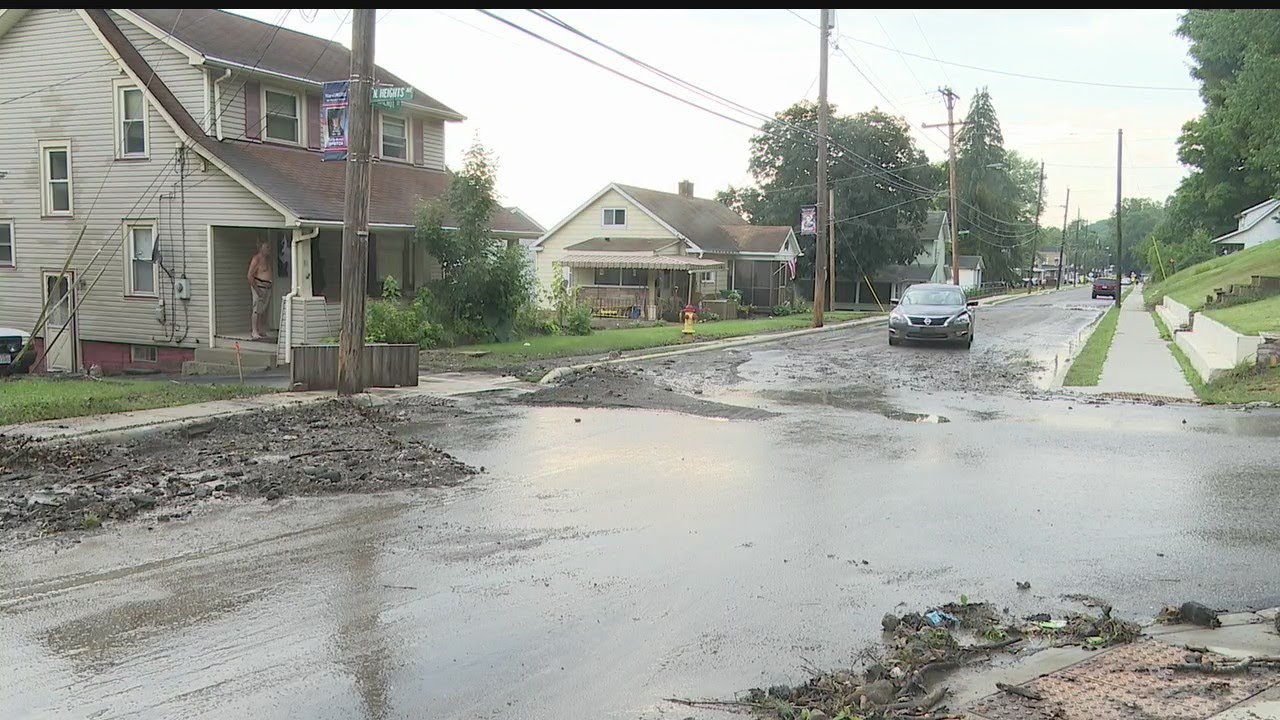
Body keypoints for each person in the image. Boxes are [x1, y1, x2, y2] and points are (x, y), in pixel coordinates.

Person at [247, 238, 274, 340]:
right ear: (261, 248)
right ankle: (254, 331)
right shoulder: (256, 259)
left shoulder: (267, 259)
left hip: (267, 287)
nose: (269, 249)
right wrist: (257, 290)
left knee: (263, 310)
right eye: (267, 247)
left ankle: (261, 329)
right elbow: (250, 276)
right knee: (256, 309)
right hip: (259, 287)